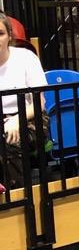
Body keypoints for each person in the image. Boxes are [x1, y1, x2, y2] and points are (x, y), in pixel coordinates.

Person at [0, 12, 48, 189]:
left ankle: (18, 199)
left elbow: (39, 102)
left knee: (10, 140)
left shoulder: (26, 58)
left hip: (30, 117)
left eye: (1, 33)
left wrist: (15, 119)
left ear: (9, 36)